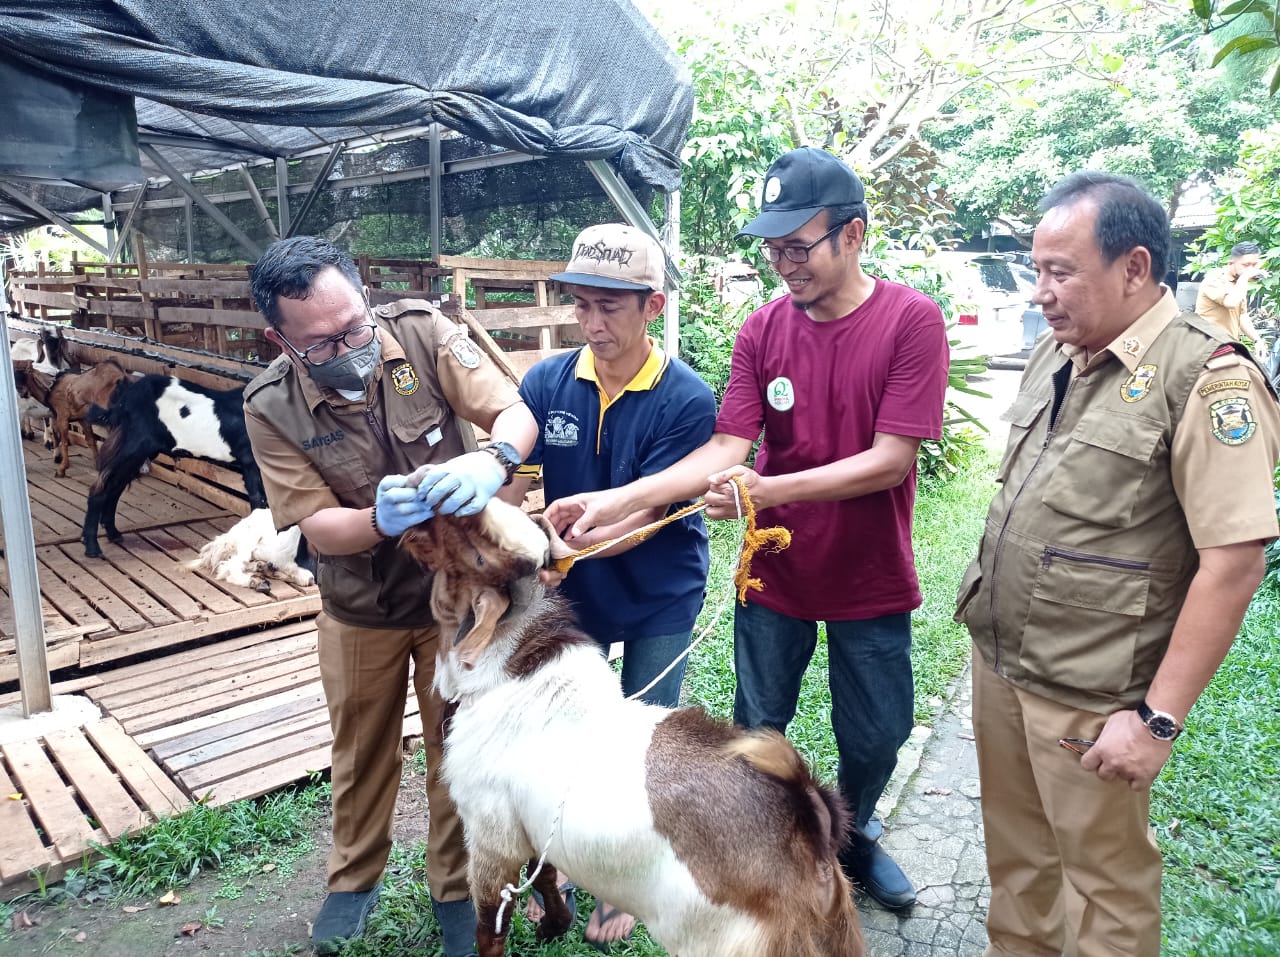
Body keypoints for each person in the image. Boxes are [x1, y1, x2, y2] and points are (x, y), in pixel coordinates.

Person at [545, 147, 951, 911]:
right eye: (773, 246)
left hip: (869, 573)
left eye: (798, 245)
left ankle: (853, 837)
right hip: (774, 572)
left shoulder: (910, 320)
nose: (783, 262)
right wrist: (620, 498)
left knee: (876, 733)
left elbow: (890, 462)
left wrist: (769, 486)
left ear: (852, 236)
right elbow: (726, 449)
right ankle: (765, 846)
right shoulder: (761, 329)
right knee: (759, 722)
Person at [955, 172, 1280, 957]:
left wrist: (1158, 719)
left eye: (1061, 272)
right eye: (1038, 271)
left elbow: (1233, 562)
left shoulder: (1207, 376)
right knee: (1019, 865)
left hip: (1093, 691)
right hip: (1004, 663)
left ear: (1135, 267)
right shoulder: (1054, 353)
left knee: (1107, 888)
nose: (1041, 292)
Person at [243, 236, 534, 957]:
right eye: (325, 341)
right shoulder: (270, 405)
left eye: (355, 324)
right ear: (279, 338)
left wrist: (492, 460)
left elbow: (516, 412)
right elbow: (316, 526)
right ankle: (352, 880)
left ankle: (458, 890)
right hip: (359, 609)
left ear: (363, 295)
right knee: (361, 749)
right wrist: (379, 519)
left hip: (461, 602)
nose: (351, 345)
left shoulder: (422, 331)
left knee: (459, 752)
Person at [505, 222, 717, 945]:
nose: (593, 324)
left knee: (641, 737)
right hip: (575, 595)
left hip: (659, 586)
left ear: (653, 306)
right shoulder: (548, 380)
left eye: (612, 307)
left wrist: (543, 544)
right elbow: (512, 462)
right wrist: (489, 492)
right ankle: (553, 866)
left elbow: (649, 516)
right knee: (559, 732)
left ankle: (623, 880)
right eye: (582, 305)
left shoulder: (686, 398)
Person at [1195, 240, 1270, 358]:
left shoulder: (1238, 284)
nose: (1251, 270)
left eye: (1254, 265)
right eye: (1246, 265)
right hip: (1206, 348)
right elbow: (1230, 302)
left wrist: (1257, 340)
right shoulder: (1214, 280)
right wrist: (1245, 278)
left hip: (1227, 347)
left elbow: (1242, 316)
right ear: (1231, 264)